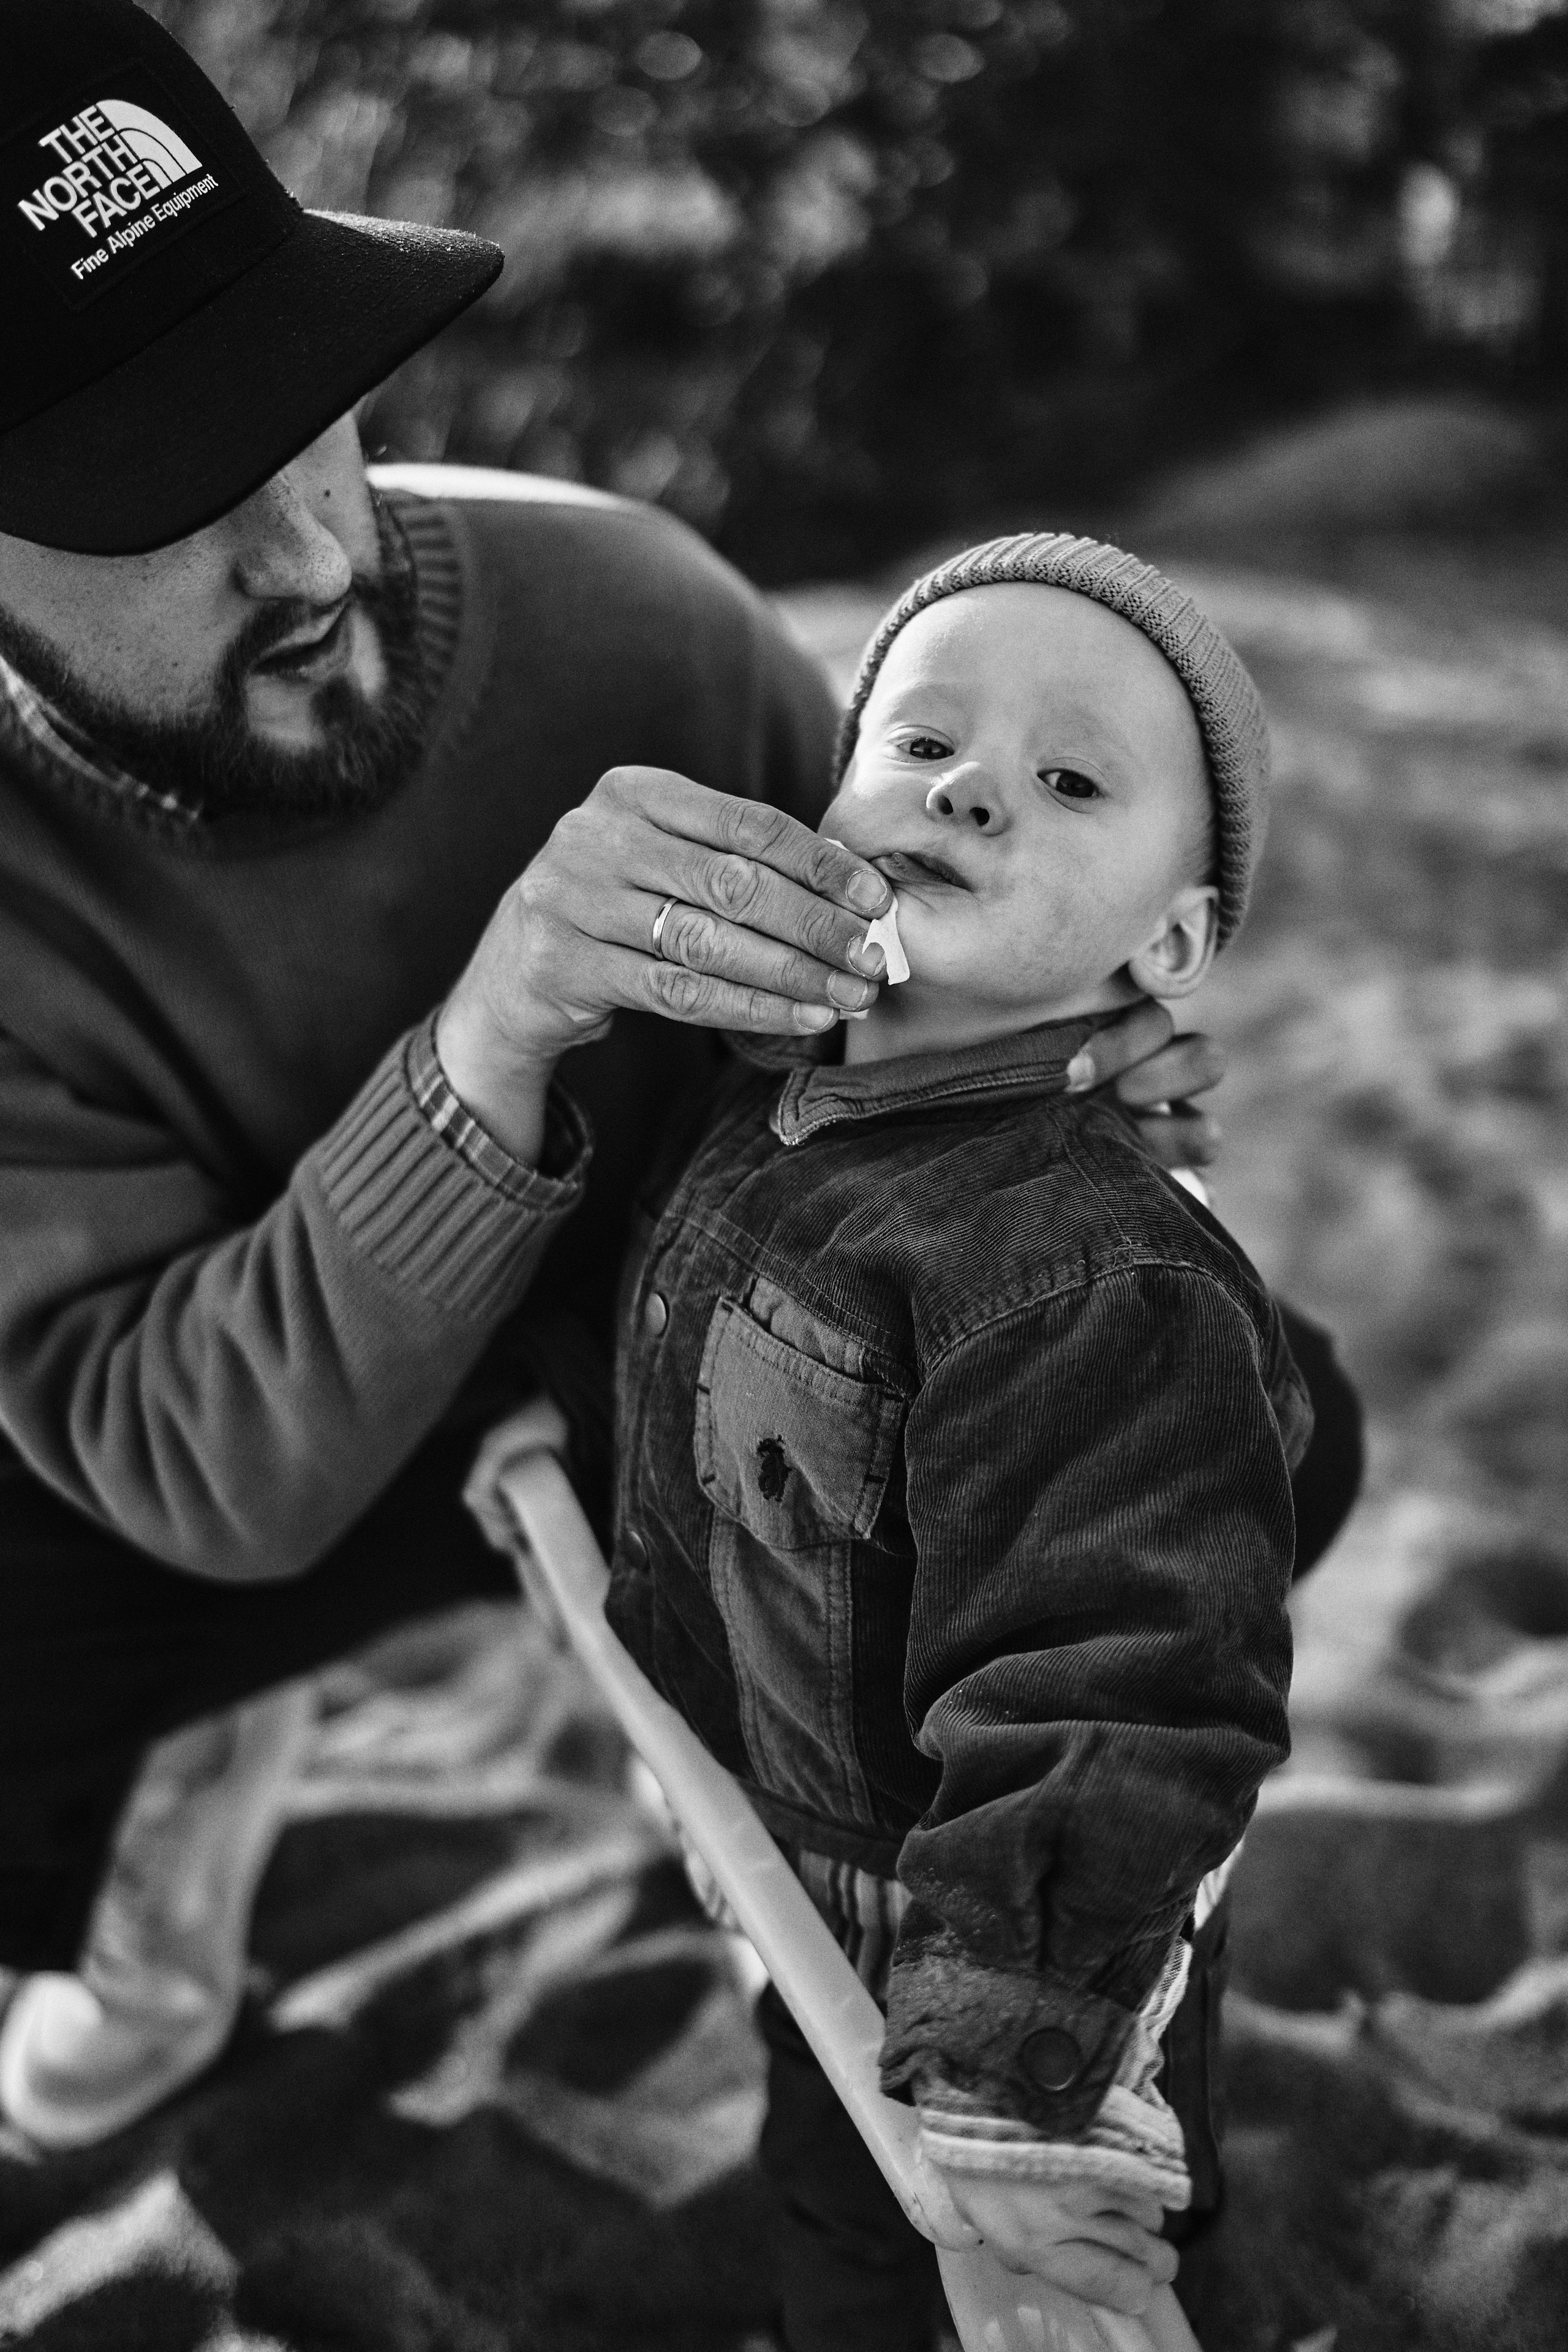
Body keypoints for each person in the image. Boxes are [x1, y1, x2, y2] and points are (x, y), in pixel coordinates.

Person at [0, 0, 1336, 2192]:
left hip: (685, 1344)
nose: (312, 555)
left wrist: (1073, 1080)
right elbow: (189, 1465)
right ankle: (157, 1851)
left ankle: (861, 1800)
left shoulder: (632, 617)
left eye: (306, 416)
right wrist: (495, 1031)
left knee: (1239, 1408)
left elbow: (932, 974)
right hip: (238, 1445)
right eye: (164, 493)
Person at [592, 535, 1315, 2350]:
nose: (973, 788)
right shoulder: (766, 1103)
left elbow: (1125, 1675)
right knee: (823, 2179)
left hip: (995, 1934)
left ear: (1169, 941)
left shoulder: (1089, 1275)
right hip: (790, 1853)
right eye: (921, 746)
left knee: (1003, 2258)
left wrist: (1010, 2052)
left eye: (1069, 782)